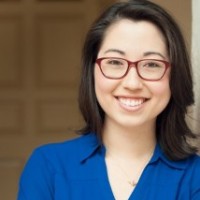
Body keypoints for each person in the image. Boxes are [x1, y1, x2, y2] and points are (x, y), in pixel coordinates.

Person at [17, 0, 200, 199]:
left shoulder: (194, 177)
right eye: (114, 62)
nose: (132, 83)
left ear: (175, 76)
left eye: (152, 64)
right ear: (92, 71)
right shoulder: (48, 167)